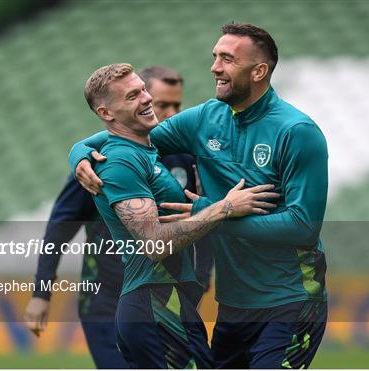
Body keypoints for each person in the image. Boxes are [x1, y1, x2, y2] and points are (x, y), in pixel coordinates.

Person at [70, 23, 329, 369]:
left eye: (227, 59)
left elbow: (303, 227)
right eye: (215, 57)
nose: (215, 67)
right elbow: (129, 138)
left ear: (259, 71)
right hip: (234, 305)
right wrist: (79, 153)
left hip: (291, 300)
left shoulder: (297, 132)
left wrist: (212, 216)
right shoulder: (206, 118)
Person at [80, 63, 278, 369]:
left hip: (168, 302)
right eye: (132, 96)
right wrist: (225, 208)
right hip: (156, 305)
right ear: (107, 113)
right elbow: (154, 244)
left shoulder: (145, 150)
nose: (146, 99)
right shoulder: (120, 162)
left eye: (143, 90)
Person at [24, 66, 213, 368]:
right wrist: (41, 291)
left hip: (169, 298)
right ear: (113, 110)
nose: (170, 112)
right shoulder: (97, 162)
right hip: (107, 299)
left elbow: (193, 222)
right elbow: (60, 227)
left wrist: (199, 281)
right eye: (163, 104)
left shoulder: (181, 156)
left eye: (176, 105)